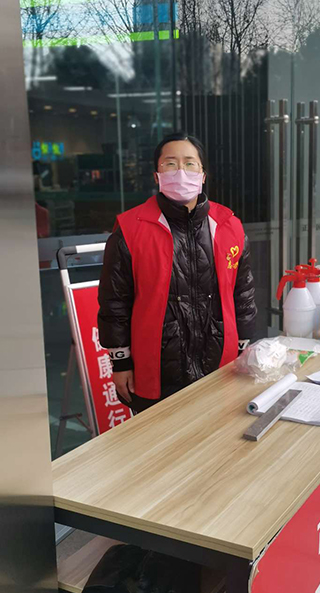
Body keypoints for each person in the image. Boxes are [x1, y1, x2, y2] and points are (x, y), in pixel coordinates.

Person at [98, 132, 257, 413]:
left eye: (190, 163)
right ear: (156, 175)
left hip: (220, 363)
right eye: (170, 164)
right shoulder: (131, 229)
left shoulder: (228, 225)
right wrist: (121, 362)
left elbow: (243, 293)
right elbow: (115, 301)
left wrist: (243, 347)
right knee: (159, 439)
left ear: (203, 175)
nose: (181, 172)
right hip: (156, 368)